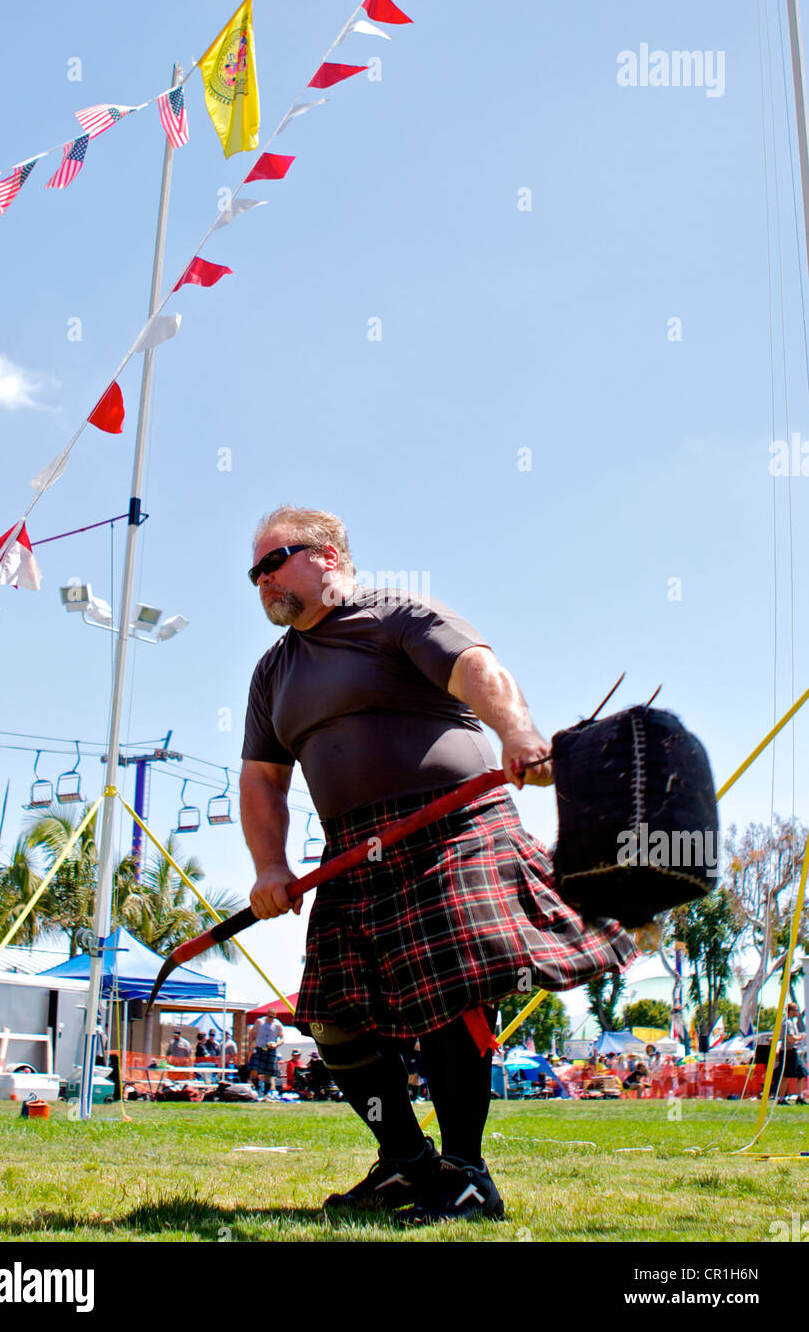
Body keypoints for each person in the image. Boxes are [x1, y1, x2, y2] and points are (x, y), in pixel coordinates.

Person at [240, 506, 636, 1222]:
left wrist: (517, 731)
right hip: (350, 851)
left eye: (277, 560)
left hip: (451, 823)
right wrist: (270, 868)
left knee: (449, 998)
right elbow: (262, 781)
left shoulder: (394, 613)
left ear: (328, 556)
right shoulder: (273, 675)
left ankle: (465, 1173)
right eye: (255, 570)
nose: (262, 578)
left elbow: (475, 668)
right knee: (332, 1017)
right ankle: (408, 1165)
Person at [251, 1009, 284, 1095]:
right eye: (269, 1016)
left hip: (271, 1050)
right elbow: (252, 1034)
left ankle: (265, 1093)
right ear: (267, 1014)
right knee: (254, 1070)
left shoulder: (278, 1024)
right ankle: (257, 1089)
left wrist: (276, 1045)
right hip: (259, 1048)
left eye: (273, 1017)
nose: (271, 1018)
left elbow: (282, 1038)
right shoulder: (259, 1022)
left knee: (268, 1073)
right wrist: (251, 1047)